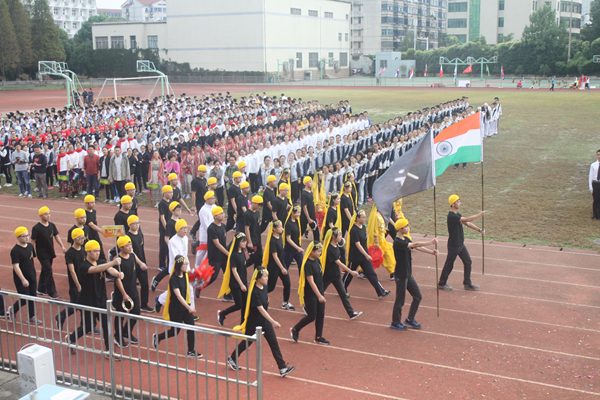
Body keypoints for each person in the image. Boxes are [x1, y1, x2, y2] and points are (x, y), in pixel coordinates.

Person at [228, 267, 295, 377]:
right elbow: (261, 309)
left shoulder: (264, 287)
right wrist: (273, 321)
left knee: (274, 344)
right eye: (265, 276)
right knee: (246, 342)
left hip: (265, 323)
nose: (267, 278)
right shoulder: (254, 292)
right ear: (258, 278)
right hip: (254, 323)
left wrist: (269, 322)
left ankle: (282, 368)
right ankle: (232, 358)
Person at [66, 240, 123, 357]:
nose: (98, 253)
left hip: (101, 299)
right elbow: (96, 269)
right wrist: (113, 263)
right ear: (87, 252)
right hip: (88, 301)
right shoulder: (83, 266)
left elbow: (109, 270)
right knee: (87, 326)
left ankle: (109, 350)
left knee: (106, 325)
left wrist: (117, 273)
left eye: (98, 251)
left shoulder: (101, 261)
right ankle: (71, 338)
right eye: (95, 251)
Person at [152, 255, 203, 359]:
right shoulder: (173, 279)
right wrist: (189, 307)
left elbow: (192, 274)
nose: (187, 266)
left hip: (185, 307)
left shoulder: (184, 274)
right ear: (179, 265)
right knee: (174, 331)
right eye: (185, 264)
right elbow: (178, 295)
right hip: (176, 309)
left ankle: (191, 351)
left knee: (191, 327)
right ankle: (158, 337)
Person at [391, 219, 437, 331]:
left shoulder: (405, 239)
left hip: (408, 274)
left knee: (418, 296)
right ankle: (395, 322)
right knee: (400, 300)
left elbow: (416, 246)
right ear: (400, 229)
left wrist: (431, 252)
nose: (407, 228)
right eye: (405, 227)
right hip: (401, 275)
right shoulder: (398, 242)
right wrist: (431, 242)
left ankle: (410, 319)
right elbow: (415, 244)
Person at [438, 195, 485, 291]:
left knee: (468, 262)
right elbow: (468, 219)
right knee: (449, 264)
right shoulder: (451, 216)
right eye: (458, 201)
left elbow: (467, 223)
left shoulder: (457, 215)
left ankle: (467, 283)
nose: (460, 203)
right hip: (454, 245)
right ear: (452, 204)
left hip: (460, 244)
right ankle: (442, 283)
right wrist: (479, 215)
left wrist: (479, 230)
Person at [342, 210, 390, 299]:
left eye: (365, 217)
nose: (365, 219)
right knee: (349, 274)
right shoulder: (353, 230)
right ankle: (342, 290)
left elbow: (364, 241)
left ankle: (381, 292)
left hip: (364, 256)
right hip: (356, 256)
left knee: (371, 273)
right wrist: (366, 255)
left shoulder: (363, 227)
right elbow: (357, 244)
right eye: (363, 217)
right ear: (357, 218)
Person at [291, 241, 329, 345]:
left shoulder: (317, 261)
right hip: (311, 294)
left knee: (321, 314)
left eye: (320, 251)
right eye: (318, 251)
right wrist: (319, 295)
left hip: (319, 292)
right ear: (311, 252)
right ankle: (295, 329)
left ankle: (318, 337)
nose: (320, 253)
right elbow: (311, 282)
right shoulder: (308, 264)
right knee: (312, 316)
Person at [320, 228, 362, 320]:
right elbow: (339, 263)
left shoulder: (337, 246)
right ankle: (308, 307)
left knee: (343, 294)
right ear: (333, 236)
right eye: (338, 235)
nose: (340, 237)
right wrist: (351, 271)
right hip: (328, 276)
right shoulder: (330, 249)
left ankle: (351, 313)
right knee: (319, 293)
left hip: (336, 276)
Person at [113, 235, 146, 347]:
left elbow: (135, 258)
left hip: (133, 291)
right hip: (122, 293)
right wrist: (124, 294)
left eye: (130, 244)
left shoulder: (131, 255)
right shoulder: (118, 261)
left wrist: (141, 264)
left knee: (136, 313)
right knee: (120, 316)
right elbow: (118, 280)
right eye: (127, 245)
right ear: (121, 247)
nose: (130, 247)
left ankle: (126, 332)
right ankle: (118, 337)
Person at [31, 206, 66, 299]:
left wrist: (62, 246)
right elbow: (33, 241)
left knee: (45, 269)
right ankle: (52, 292)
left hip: (50, 251)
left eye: (49, 214)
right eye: (46, 214)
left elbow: (56, 236)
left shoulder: (52, 225)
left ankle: (41, 288)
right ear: (40, 215)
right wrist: (31, 252)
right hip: (42, 253)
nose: (48, 216)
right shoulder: (36, 228)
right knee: (48, 271)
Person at [8, 227, 40, 324]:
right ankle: (13, 309)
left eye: (28, 235)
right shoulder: (15, 251)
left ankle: (31, 317)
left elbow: (31, 260)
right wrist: (23, 279)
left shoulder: (30, 246)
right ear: (18, 237)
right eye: (24, 236)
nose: (27, 238)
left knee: (32, 297)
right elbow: (16, 266)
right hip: (21, 279)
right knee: (24, 298)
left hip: (32, 276)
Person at [55, 228, 86, 331]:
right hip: (75, 284)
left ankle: (85, 326)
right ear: (74, 239)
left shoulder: (83, 250)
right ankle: (61, 316)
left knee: (85, 304)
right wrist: (77, 285)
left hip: (84, 281)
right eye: (80, 238)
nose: (82, 240)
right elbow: (72, 271)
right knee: (75, 305)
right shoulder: (70, 253)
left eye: (83, 238)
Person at [217, 232, 248, 325]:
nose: (245, 243)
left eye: (245, 241)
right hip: (235, 283)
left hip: (243, 281)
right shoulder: (233, 255)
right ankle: (223, 313)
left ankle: (243, 322)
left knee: (245, 304)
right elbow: (234, 271)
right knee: (239, 305)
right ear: (238, 242)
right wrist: (241, 284)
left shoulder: (242, 252)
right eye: (243, 241)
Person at [126, 215, 153, 313]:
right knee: (131, 285)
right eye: (134, 223)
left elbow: (141, 250)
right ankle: (129, 303)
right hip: (133, 264)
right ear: (129, 225)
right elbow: (131, 252)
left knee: (145, 285)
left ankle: (144, 305)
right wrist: (140, 263)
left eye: (138, 223)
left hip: (141, 263)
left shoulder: (140, 234)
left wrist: (143, 262)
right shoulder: (127, 237)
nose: (137, 225)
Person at [366, 205, 396, 280]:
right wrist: (376, 242)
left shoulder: (381, 213)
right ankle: (392, 273)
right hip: (378, 240)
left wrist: (395, 225)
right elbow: (375, 229)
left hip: (382, 239)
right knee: (378, 256)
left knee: (385, 254)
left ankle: (392, 272)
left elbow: (388, 218)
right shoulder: (375, 216)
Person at [84, 195, 107, 262]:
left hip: (95, 233)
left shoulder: (94, 211)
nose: (93, 204)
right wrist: (101, 231)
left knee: (99, 247)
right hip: (89, 234)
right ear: (86, 203)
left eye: (94, 202)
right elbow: (91, 224)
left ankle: (102, 261)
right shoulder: (85, 213)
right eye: (91, 203)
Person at [284, 206, 304, 280]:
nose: (299, 214)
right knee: (284, 268)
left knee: (302, 266)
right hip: (289, 250)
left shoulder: (297, 221)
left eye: (300, 212)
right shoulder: (288, 224)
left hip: (297, 249)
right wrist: (298, 248)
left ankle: (302, 283)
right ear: (292, 212)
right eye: (298, 212)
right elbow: (288, 239)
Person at [157, 185, 173, 273]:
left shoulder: (171, 202)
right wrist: (166, 228)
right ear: (164, 193)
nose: (171, 194)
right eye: (169, 192)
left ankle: (169, 264)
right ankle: (162, 265)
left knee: (169, 247)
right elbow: (162, 217)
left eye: (171, 192)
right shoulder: (162, 203)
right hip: (164, 229)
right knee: (163, 247)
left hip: (171, 227)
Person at [244, 195, 264, 270]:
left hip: (258, 239)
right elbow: (246, 229)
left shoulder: (257, 212)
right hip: (251, 239)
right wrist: (249, 242)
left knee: (259, 258)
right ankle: (240, 268)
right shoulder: (247, 214)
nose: (260, 207)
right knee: (253, 259)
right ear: (254, 203)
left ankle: (257, 276)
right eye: (259, 205)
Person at [300, 176, 320, 241]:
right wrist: (308, 218)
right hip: (305, 216)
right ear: (306, 183)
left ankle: (317, 245)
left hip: (312, 215)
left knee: (316, 232)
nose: (311, 183)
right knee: (300, 230)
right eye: (310, 182)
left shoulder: (311, 192)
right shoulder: (304, 194)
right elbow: (304, 207)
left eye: (312, 182)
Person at [589, 149, 600, 220]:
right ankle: (595, 214)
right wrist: (591, 186)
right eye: (598, 155)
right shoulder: (593, 165)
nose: (599, 156)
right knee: (595, 200)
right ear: (596, 155)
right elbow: (590, 176)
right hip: (595, 184)